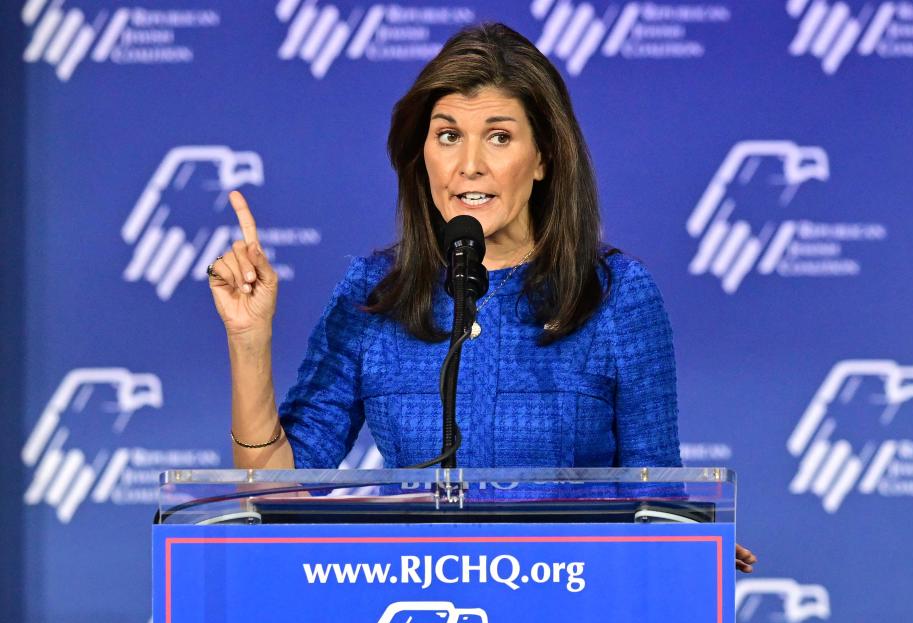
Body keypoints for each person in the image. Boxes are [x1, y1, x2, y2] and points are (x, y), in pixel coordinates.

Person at [207, 23, 756, 573]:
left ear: (543, 157)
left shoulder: (615, 295)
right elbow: (279, 497)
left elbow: (653, 495)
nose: (470, 164)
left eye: (499, 136)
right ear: (422, 154)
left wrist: (683, 545)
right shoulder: (376, 291)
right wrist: (247, 339)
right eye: (448, 136)